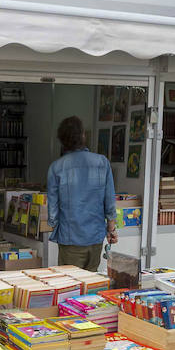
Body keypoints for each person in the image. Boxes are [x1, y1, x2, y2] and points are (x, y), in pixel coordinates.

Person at [47, 116, 117, 271]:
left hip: (70, 237)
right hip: (95, 237)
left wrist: (54, 225)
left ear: (62, 140)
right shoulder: (102, 162)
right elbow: (110, 200)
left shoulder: (56, 168)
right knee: (91, 286)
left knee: (70, 285)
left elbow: (53, 209)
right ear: (83, 136)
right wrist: (111, 228)